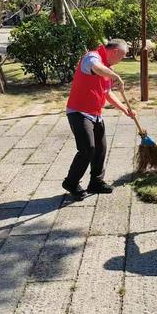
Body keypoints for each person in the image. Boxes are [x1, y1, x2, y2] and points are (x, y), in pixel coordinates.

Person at [63, 39, 136, 201]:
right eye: (123, 56)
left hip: (95, 113)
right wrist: (114, 75)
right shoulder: (91, 57)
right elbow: (96, 68)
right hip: (78, 111)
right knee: (87, 148)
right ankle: (71, 182)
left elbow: (107, 94)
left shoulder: (108, 69)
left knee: (100, 149)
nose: (121, 60)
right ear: (116, 51)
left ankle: (96, 182)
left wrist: (125, 110)